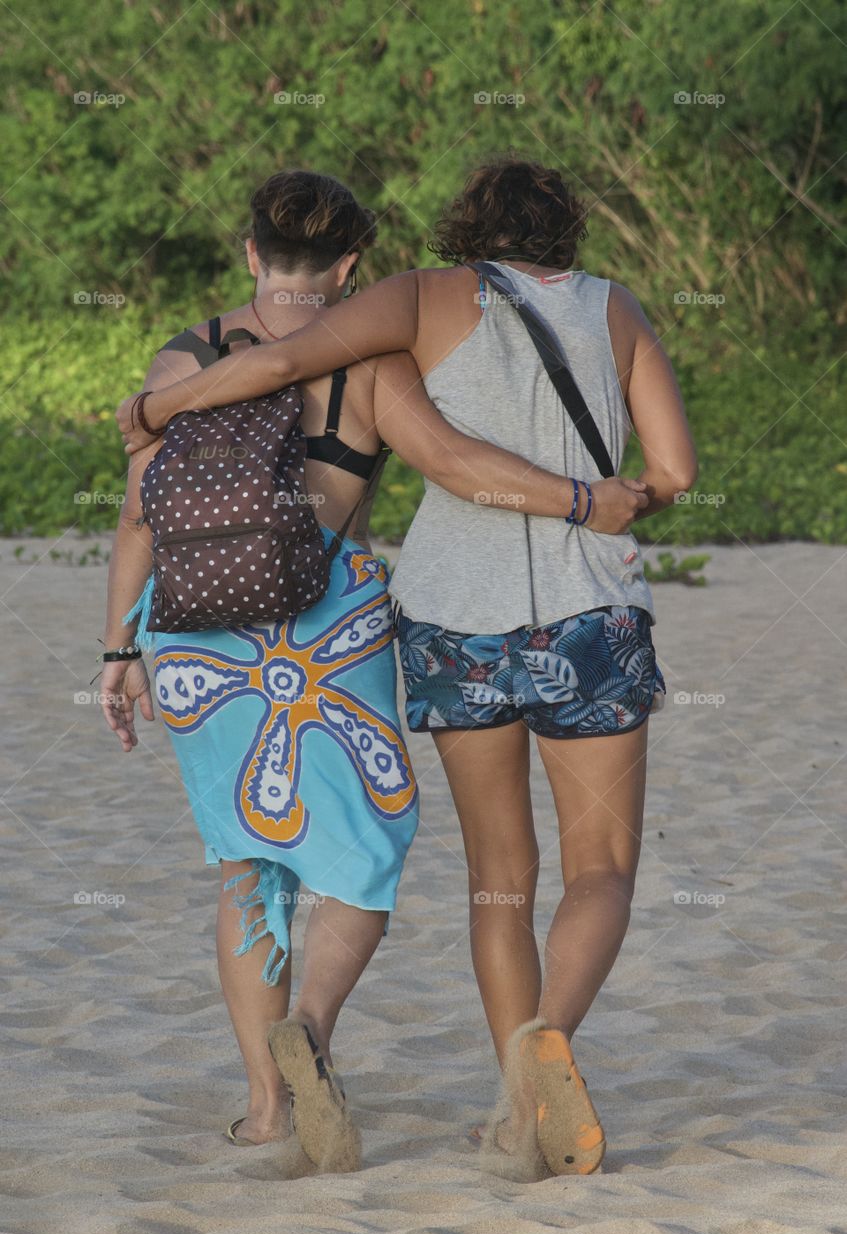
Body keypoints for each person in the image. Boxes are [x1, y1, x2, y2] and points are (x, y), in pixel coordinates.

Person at [116, 156, 697, 1180]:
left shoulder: (413, 303)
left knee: (485, 882)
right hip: (570, 616)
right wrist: (607, 502)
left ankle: (308, 1104)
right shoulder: (613, 310)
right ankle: (538, 1057)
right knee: (594, 868)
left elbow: (259, 380)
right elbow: (672, 471)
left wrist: (158, 412)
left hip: (431, 624)